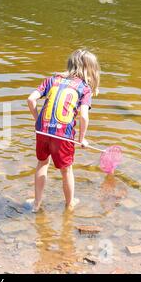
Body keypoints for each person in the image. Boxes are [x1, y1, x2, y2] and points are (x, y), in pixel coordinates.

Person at [26, 49, 100, 212]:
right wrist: (82, 138)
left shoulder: (52, 80)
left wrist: (37, 120)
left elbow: (31, 100)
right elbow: (84, 116)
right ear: (91, 70)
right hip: (62, 134)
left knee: (42, 163)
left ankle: (36, 204)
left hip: (42, 130)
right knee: (66, 170)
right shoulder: (84, 88)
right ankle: (69, 204)